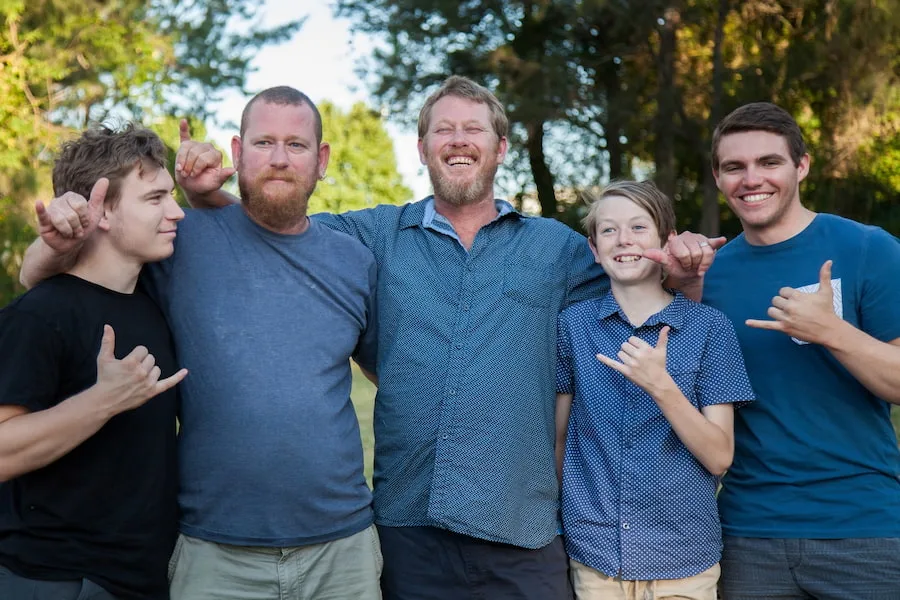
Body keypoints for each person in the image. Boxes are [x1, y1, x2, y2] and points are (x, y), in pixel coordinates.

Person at [172, 75, 722, 599]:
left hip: (523, 528)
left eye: (474, 129)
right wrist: (203, 197)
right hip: (409, 525)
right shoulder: (373, 235)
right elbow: (280, 224)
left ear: (501, 148)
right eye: (443, 129)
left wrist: (687, 271)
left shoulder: (557, 249)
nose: (458, 140)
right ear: (421, 147)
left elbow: (642, 286)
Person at [19, 87, 382, 600]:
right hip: (213, 550)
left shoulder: (354, 261)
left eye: (296, 145)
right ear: (237, 153)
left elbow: (383, 372)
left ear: (322, 160)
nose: (279, 159)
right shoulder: (179, 239)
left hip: (341, 547)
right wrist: (48, 242)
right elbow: (56, 276)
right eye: (264, 142)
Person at [702, 102, 900, 599]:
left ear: (802, 166)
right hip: (748, 536)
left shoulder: (867, 248)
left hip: (865, 529)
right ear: (718, 177)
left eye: (769, 163)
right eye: (734, 167)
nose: (752, 179)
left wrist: (832, 331)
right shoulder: (710, 275)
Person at [0, 124, 188, 599]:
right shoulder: (42, 314)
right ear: (101, 209)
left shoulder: (152, 302)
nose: (175, 212)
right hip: (54, 580)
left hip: (143, 579)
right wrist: (101, 402)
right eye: (155, 199)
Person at [555, 180, 753, 600]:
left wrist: (662, 387)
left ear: (666, 241)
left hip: (683, 561)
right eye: (608, 230)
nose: (623, 240)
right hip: (596, 558)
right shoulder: (572, 327)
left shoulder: (709, 330)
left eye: (638, 227)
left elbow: (720, 458)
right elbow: (558, 442)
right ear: (593, 249)